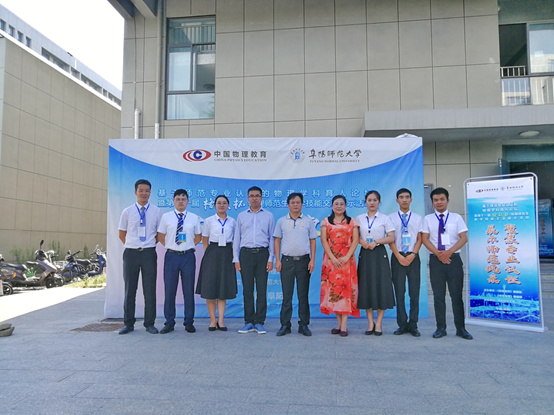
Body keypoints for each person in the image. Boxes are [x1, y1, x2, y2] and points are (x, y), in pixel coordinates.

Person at [421, 187, 473, 340]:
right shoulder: (428, 219)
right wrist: (439, 254)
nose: (439, 202)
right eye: (436, 200)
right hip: (436, 260)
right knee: (438, 296)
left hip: (453, 260)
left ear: (447, 200)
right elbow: (424, 239)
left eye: (442, 199)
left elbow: (463, 238)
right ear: (432, 202)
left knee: (456, 296)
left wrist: (448, 252)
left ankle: (461, 328)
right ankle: (440, 328)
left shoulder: (456, 218)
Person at [117, 179, 161, 335]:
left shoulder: (156, 211)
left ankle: (150, 323)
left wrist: (146, 244)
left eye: (147, 191)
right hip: (131, 254)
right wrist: (133, 245)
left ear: (150, 193)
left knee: (150, 289)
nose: (144, 193)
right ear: (135, 192)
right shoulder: (127, 211)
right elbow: (122, 234)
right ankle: (128, 323)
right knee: (130, 289)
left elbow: (159, 234)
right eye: (141, 190)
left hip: (149, 253)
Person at [157, 189, 202, 334]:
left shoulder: (194, 218)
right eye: (178, 199)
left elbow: (198, 236)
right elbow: (160, 235)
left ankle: (189, 322)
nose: (180, 201)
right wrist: (172, 246)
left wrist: (187, 245)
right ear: (173, 201)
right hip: (171, 256)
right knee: (170, 290)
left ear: (188, 201)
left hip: (188, 257)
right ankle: (169, 322)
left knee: (188, 290)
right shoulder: (166, 217)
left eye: (183, 199)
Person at [274, 193, 317, 337]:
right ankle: (285, 324)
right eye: (292, 202)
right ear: (288, 205)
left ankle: (303, 325)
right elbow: (277, 241)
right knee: (287, 295)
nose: (295, 205)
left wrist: (312, 260)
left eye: (298, 202)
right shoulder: (281, 221)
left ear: (302, 204)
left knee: (303, 295)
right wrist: (278, 260)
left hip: (304, 261)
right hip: (286, 261)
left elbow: (313, 240)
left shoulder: (308, 221)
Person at [233, 186, 275, 334]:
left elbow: (271, 238)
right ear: (248, 198)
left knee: (262, 289)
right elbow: (237, 238)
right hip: (246, 255)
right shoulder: (241, 216)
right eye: (251, 196)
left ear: (261, 198)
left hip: (263, 254)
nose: (254, 198)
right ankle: (249, 322)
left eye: (257, 195)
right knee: (247, 290)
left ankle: (260, 322)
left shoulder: (268, 216)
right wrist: (236, 259)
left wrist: (271, 258)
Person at [356, 190, 395, 336]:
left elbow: (391, 237)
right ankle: (370, 323)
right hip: (365, 253)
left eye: (375, 200)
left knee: (381, 286)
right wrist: (362, 242)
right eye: (369, 200)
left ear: (379, 202)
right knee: (366, 286)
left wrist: (377, 242)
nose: (372, 203)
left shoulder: (385, 218)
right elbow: (355, 237)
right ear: (365, 202)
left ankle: (378, 323)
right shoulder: (359, 218)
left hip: (379, 253)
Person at [320, 195, 360, 337]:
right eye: (336, 204)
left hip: (347, 261)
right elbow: (324, 241)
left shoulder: (352, 222)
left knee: (346, 292)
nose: (339, 206)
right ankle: (338, 323)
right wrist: (332, 258)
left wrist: (347, 256)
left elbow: (355, 240)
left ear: (345, 206)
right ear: (332, 206)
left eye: (341, 204)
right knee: (334, 292)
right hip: (330, 262)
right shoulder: (326, 222)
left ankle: (344, 325)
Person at [196, 195, 237, 331]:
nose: (221, 205)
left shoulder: (232, 221)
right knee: (210, 288)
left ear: (228, 205)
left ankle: (221, 321)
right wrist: (209, 255)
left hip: (227, 253)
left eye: (224, 203)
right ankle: (212, 321)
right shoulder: (209, 221)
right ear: (214, 205)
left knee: (222, 287)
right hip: (212, 253)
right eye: (219, 203)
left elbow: (235, 239)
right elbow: (205, 239)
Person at [389, 188, 423, 337]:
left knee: (414, 292)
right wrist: (398, 256)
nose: (404, 199)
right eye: (401, 197)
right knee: (399, 291)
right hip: (397, 256)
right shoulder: (391, 218)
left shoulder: (418, 218)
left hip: (413, 257)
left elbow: (420, 238)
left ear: (411, 200)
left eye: (407, 197)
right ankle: (402, 324)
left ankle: (413, 324)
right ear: (397, 200)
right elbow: (390, 239)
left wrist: (413, 254)